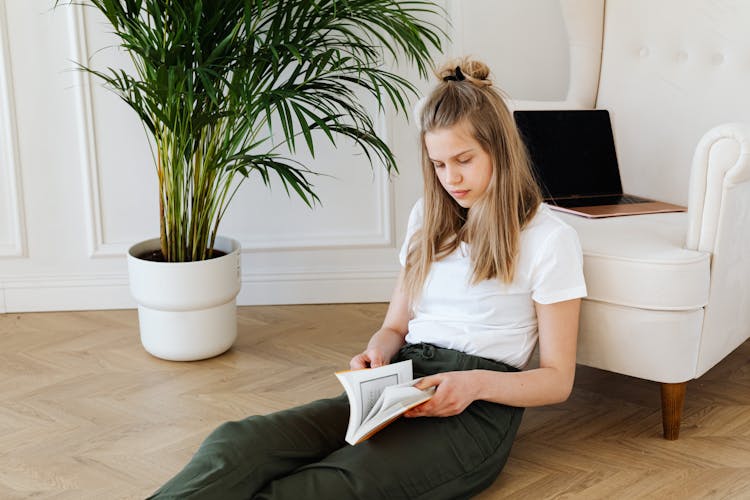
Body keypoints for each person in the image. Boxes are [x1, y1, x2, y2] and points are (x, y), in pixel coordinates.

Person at [149, 58, 587, 500]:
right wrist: (378, 350)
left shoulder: (550, 240)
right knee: (237, 444)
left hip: (476, 409)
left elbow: (557, 379)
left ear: (501, 150)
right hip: (402, 382)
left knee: (323, 487)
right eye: (438, 164)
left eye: (464, 160)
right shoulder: (428, 218)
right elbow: (396, 325)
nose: (450, 178)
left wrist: (473, 385)